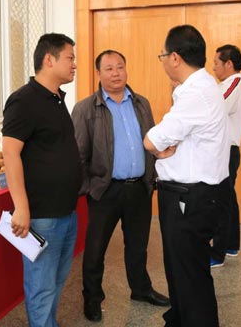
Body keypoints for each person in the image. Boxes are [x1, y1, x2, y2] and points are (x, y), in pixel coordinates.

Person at [71, 50, 170, 322]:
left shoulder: (141, 103)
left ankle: (141, 289)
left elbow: (152, 142)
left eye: (120, 67)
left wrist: (152, 179)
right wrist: (90, 188)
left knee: (138, 245)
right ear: (98, 73)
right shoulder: (85, 109)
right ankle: (92, 298)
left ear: (126, 69)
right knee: (96, 249)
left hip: (139, 188)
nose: (115, 73)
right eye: (109, 68)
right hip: (105, 190)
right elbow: (78, 155)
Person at [144, 25, 229, 327]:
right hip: (186, 195)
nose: (163, 61)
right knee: (180, 270)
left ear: (175, 58)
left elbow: (152, 141)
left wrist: (159, 149)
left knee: (190, 276)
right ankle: (178, 319)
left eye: (163, 56)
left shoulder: (196, 93)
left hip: (189, 198)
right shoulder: (198, 88)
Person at [1, 33, 82, 327]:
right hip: (42, 215)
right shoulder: (24, 100)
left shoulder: (56, 98)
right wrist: (21, 207)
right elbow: (10, 153)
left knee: (56, 281)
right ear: (49, 59)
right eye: (70, 58)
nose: (74, 64)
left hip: (66, 211)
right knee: (41, 286)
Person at [210, 44, 241, 268]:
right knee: (229, 199)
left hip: (226, 151)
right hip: (227, 151)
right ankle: (231, 245)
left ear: (229, 64)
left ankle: (217, 254)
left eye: (216, 63)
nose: (213, 67)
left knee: (221, 203)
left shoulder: (233, 83)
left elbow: (214, 108)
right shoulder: (229, 84)